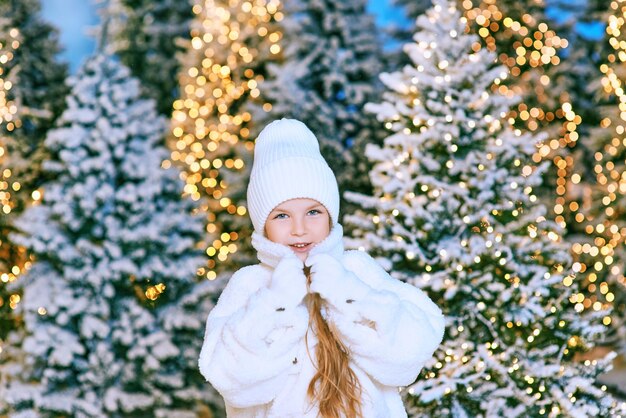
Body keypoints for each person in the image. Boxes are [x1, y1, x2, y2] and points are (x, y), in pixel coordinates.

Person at [198, 119, 445, 418]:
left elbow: (408, 357)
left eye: (313, 212)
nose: (299, 229)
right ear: (262, 223)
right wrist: (274, 304)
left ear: (330, 215)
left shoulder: (357, 271)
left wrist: (350, 294)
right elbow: (231, 379)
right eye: (282, 216)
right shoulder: (250, 285)